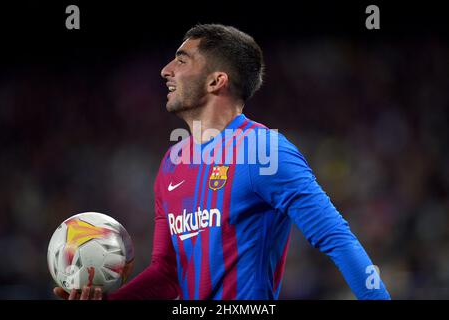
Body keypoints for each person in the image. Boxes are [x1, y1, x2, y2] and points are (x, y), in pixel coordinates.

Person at [54, 24, 390, 300]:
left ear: (217, 81)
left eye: (181, 61)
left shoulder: (264, 150)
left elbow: (336, 238)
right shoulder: (171, 163)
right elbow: (168, 273)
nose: (165, 70)